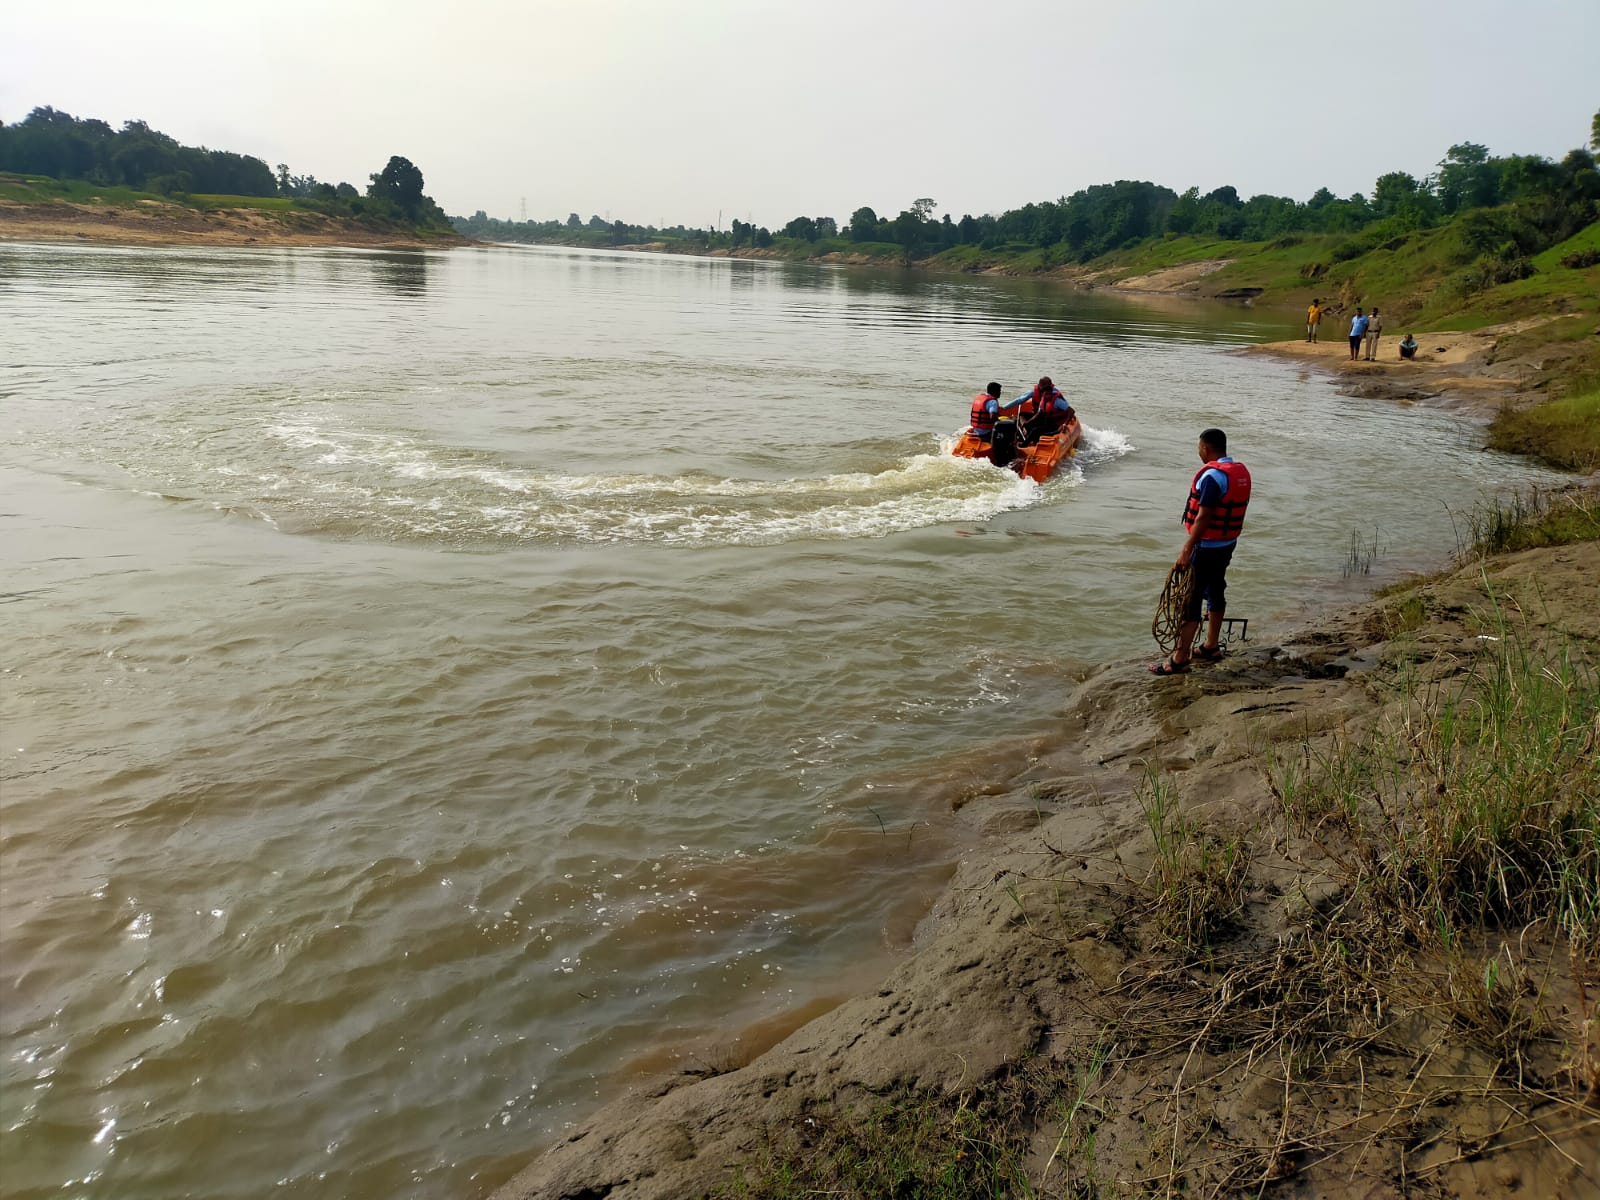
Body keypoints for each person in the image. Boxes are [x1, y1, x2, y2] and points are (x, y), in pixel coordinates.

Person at [1150, 428, 1251, 676]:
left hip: (1206, 547)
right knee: (1216, 588)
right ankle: (1210, 646)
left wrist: (1187, 549)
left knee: (1190, 600)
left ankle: (1180, 659)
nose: (1198, 451)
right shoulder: (1240, 472)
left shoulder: (1212, 477)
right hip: (1227, 544)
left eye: (1199, 447)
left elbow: (1204, 516)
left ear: (1206, 448)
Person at [1013, 375, 1075, 443]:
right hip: (1047, 421)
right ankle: (1021, 438)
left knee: (1035, 431)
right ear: (1042, 393)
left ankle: (1023, 445)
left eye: (1049, 394)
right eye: (1046, 394)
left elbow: (1071, 410)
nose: (1047, 396)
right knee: (1027, 424)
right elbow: (1038, 414)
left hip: (1056, 424)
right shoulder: (1042, 399)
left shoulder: (1057, 400)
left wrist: (1064, 424)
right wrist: (1027, 423)